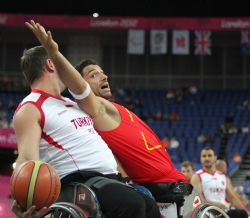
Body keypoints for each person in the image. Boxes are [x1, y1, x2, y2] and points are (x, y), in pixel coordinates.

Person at [11, 20, 161, 218]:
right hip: (79, 184)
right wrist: (22, 199)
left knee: (149, 205)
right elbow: (27, 158)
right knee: (131, 204)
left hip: (109, 180)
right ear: (51, 63)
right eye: (60, 61)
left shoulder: (72, 103)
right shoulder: (30, 107)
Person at [74, 59, 192, 203]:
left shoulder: (117, 109)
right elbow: (81, 92)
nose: (104, 77)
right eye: (93, 75)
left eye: (103, 73)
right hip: (161, 189)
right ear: (80, 83)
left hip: (176, 181)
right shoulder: (98, 110)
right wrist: (55, 54)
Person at [191, 146, 249, 218]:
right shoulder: (197, 176)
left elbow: (232, 197)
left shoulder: (223, 176)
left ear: (215, 158)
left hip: (225, 212)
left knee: (242, 214)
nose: (207, 158)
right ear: (201, 159)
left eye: (209, 156)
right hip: (208, 211)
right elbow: (198, 199)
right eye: (204, 156)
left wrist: (246, 212)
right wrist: (216, 205)